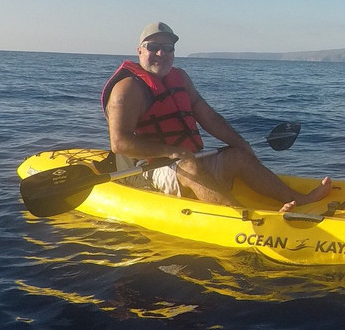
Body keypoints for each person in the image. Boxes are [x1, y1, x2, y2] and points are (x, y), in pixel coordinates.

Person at [103, 22, 331, 211]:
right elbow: (119, 143)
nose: (162, 54)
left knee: (237, 155)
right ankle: (242, 217)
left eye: (169, 48)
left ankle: (299, 200)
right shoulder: (127, 88)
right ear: (140, 50)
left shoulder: (180, 77)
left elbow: (210, 117)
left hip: (184, 160)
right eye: (153, 47)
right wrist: (172, 151)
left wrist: (241, 144)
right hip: (146, 171)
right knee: (189, 164)